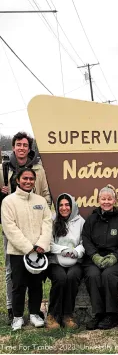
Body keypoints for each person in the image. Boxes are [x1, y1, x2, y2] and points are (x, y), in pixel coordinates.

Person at [0, 132, 51, 322]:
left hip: (36, 228)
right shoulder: (3, 168)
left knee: (35, 276)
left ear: (29, 148)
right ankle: (13, 310)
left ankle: (35, 312)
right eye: (18, 145)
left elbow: (45, 194)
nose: (22, 148)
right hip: (13, 226)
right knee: (12, 272)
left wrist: (41, 208)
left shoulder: (39, 168)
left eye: (25, 145)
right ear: (13, 147)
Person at [82, 184, 118, 330]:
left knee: (109, 275)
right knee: (92, 275)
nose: (106, 202)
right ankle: (98, 314)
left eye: (110, 199)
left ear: (115, 200)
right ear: (98, 200)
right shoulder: (91, 220)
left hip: (117, 260)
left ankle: (112, 315)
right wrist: (94, 256)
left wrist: (115, 257)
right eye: (103, 199)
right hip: (95, 258)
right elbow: (86, 239)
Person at [46, 193, 85, 329]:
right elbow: (49, 243)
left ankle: (67, 315)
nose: (64, 208)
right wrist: (63, 250)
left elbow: (84, 242)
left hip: (75, 261)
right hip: (56, 260)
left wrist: (77, 252)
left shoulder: (80, 222)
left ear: (72, 206)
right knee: (61, 278)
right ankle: (52, 315)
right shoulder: (52, 220)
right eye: (61, 205)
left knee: (72, 276)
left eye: (67, 205)